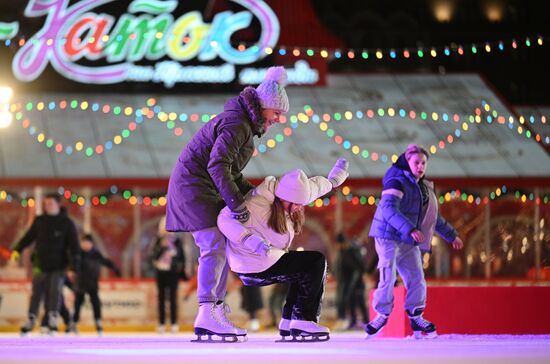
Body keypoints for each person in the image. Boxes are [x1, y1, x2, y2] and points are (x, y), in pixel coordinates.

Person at [165, 66, 290, 341]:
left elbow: (230, 172)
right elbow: (218, 165)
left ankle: (215, 310)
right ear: (265, 106)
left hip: (201, 187)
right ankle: (207, 310)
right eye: (277, 113)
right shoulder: (237, 125)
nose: (279, 120)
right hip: (194, 189)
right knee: (213, 244)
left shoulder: (242, 123)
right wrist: (239, 206)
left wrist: (254, 194)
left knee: (219, 244)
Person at [217, 160, 349, 341]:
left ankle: (289, 320)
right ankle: (303, 319)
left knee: (302, 269)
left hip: (267, 259)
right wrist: (249, 239)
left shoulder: (292, 196)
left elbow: (314, 189)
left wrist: (333, 181)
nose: (298, 208)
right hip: (251, 262)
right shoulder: (258, 203)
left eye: (300, 204)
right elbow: (224, 218)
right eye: (294, 203)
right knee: (315, 261)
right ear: (282, 198)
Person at [366, 144, 464, 339]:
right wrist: (410, 228)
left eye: (423, 163)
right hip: (388, 236)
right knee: (388, 271)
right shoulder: (396, 182)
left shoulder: (423, 188)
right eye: (416, 162)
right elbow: (389, 210)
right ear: (407, 162)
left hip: (408, 238)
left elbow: (432, 218)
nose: (420, 166)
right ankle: (382, 314)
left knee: (417, 276)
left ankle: (416, 315)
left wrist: (452, 235)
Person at [10, 193, 80, 336]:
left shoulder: (66, 223)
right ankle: (31, 319)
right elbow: (28, 237)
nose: (47, 206)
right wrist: (17, 249)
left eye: (50, 204)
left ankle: (52, 320)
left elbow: (74, 247)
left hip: (59, 266)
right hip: (40, 264)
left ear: (58, 204)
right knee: (37, 293)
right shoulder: (40, 221)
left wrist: (74, 266)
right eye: (46, 204)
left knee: (55, 291)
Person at [72, 234, 121, 336]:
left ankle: (98, 324)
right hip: (80, 284)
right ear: (81, 244)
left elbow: (105, 261)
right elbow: (71, 265)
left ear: (91, 244)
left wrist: (115, 268)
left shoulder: (95, 254)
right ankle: (74, 324)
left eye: (87, 243)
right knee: (77, 305)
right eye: (83, 243)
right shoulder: (78, 254)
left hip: (92, 284)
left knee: (96, 304)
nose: (86, 245)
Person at [152, 216, 186, 334]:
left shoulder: (177, 241)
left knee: (172, 299)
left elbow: (182, 257)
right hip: (160, 273)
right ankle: (161, 323)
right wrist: (162, 247)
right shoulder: (158, 241)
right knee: (161, 299)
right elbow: (153, 257)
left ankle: (174, 324)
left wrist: (182, 272)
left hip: (173, 273)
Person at [333, 233, 368, 330]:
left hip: (354, 282)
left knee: (358, 301)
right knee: (348, 301)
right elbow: (338, 266)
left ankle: (366, 321)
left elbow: (360, 266)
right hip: (343, 281)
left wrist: (360, 277)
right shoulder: (341, 252)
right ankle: (352, 321)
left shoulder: (352, 251)